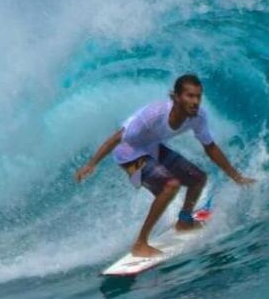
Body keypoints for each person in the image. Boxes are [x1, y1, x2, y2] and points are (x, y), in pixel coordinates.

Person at [75, 74, 255, 257]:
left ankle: (184, 221)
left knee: (198, 178)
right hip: (127, 152)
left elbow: (210, 147)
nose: (195, 102)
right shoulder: (154, 114)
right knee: (170, 186)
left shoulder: (198, 117)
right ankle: (140, 244)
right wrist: (92, 164)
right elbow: (117, 138)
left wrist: (236, 176)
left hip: (152, 147)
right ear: (176, 97)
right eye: (189, 96)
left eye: (198, 96)